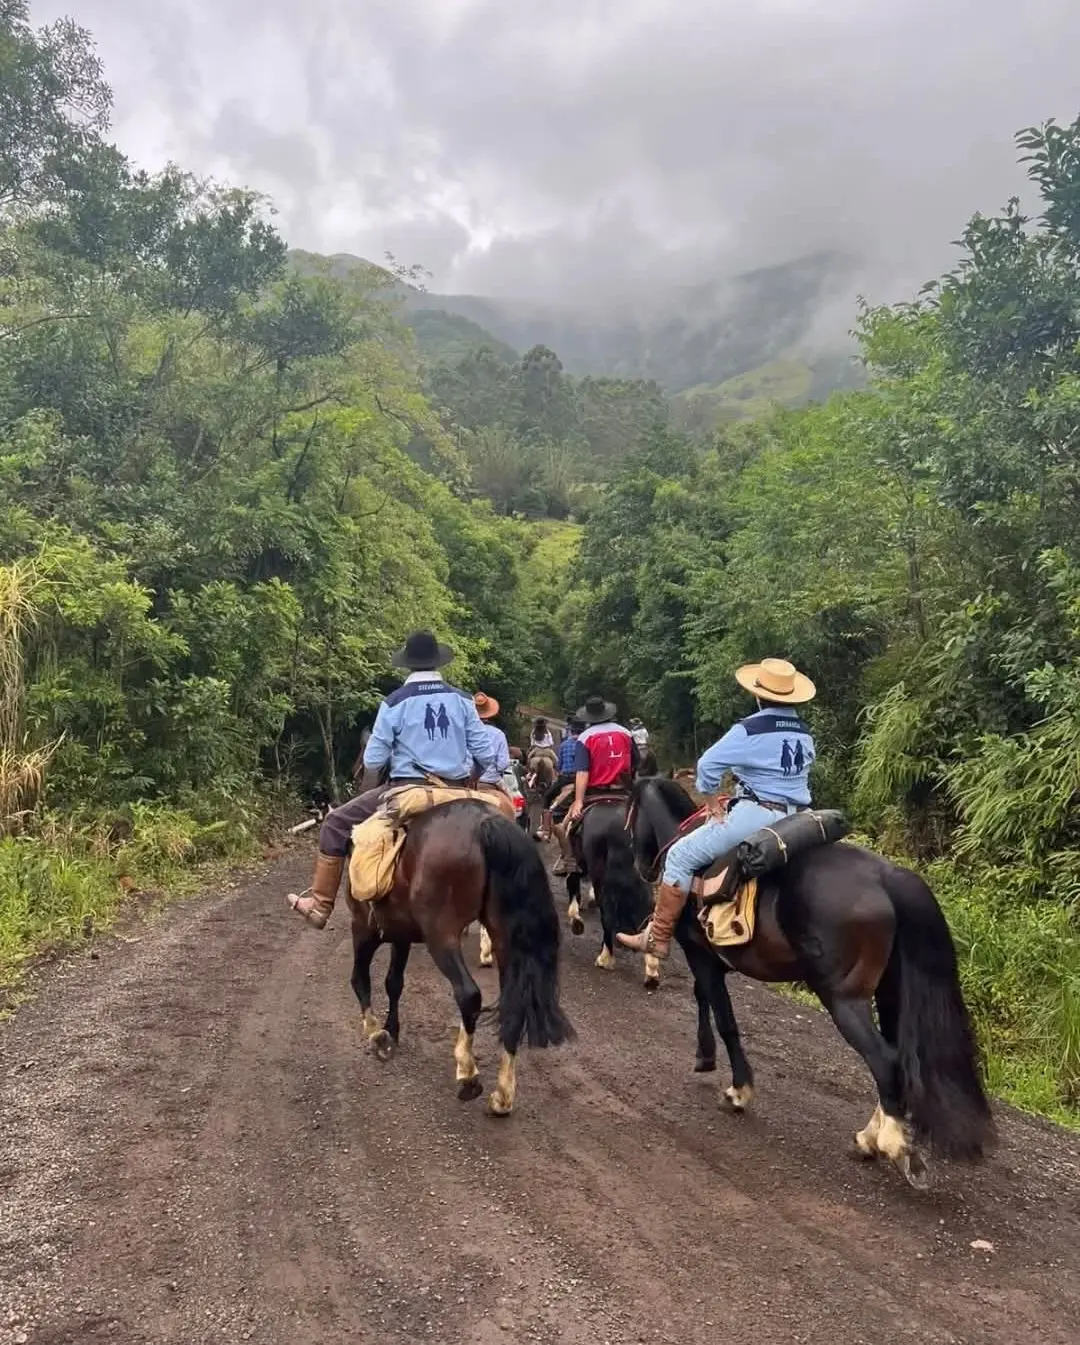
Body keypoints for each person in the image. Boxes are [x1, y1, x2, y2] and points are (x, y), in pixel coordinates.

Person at [287, 630, 495, 928]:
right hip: (456, 791)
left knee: (334, 824)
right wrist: (465, 774)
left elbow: (373, 761)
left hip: (405, 788)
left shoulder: (394, 702)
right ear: (439, 662)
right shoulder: (463, 699)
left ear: (407, 664)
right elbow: (485, 756)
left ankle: (320, 905)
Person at [618, 657, 816, 960]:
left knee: (680, 855)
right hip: (800, 817)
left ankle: (657, 937)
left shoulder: (751, 729)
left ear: (758, 694)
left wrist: (711, 802)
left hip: (759, 814)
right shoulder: (803, 730)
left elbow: (708, 765)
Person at [552, 696, 638, 876]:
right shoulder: (626, 733)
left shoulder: (585, 737)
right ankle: (651, 863)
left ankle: (570, 860)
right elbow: (636, 764)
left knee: (563, 826)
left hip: (595, 791)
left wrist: (578, 801)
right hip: (623, 790)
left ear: (589, 717)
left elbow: (582, 771)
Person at [536, 717, 581, 841]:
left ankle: (545, 829)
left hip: (566, 778)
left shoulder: (564, 744)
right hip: (581, 778)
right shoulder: (584, 743)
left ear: (571, 731)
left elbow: (559, 765)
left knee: (547, 796)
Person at [472, 691, 512, 802]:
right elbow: (502, 765)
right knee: (512, 804)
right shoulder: (498, 734)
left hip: (469, 782)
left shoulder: (466, 731)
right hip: (492, 780)